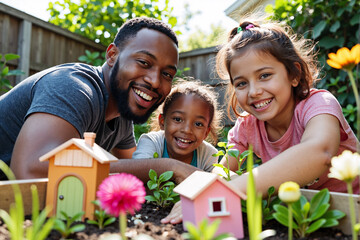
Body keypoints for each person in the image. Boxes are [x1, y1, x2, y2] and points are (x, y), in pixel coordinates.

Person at [0, 17, 180, 180]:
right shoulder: (73, 87)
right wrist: (166, 167)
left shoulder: (122, 117)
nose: (155, 82)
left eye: (167, 74)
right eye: (144, 62)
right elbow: (29, 172)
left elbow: (135, 172)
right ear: (112, 55)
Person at [215, 15, 360, 196]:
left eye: (264, 75)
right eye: (241, 83)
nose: (253, 91)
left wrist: (231, 188)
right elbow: (223, 172)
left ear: (294, 74)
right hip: (299, 215)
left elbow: (319, 153)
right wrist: (213, 186)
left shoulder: (319, 104)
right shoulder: (247, 125)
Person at [132, 79, 222, 172]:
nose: (187, 130)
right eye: (178, 119)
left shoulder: (207, 154)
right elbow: (137, 171)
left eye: (198, 124)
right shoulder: (152, 142)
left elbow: (215, 183)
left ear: (206, 132)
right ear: (162, 121)